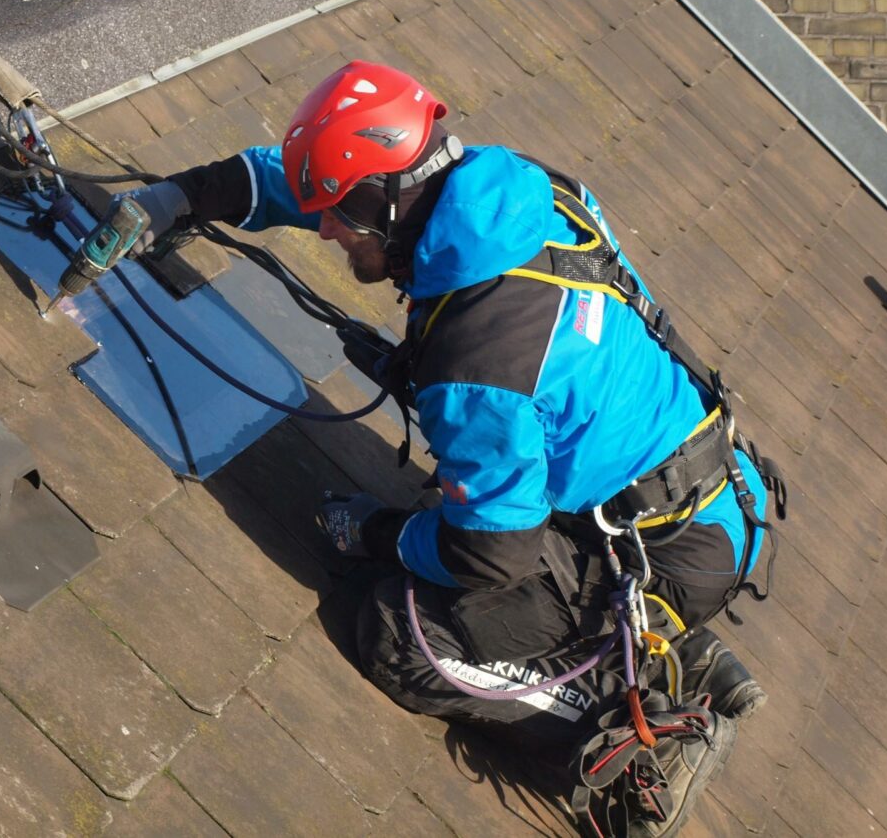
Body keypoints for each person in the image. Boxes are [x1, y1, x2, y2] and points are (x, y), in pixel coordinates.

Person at [132, 61, 783, 837]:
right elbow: (316, 185)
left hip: (665, 550)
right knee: (456, 514)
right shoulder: (511, 193)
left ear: (391, 201)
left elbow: (492, 556)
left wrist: (383, 533)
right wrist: (186, 194)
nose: (327, 230)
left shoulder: (480, 362)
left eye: (340, 216)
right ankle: (669, 643)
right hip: (701, 497)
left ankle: (621, 708)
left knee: (397, 631)